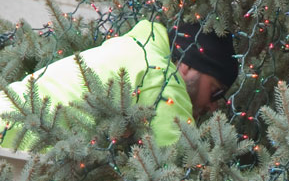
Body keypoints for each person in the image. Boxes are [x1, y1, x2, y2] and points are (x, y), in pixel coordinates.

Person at [0, 19, 238, 149]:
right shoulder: (160, 74)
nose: (214, 106)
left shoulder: (130, 48)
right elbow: (178, 161)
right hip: (18, 140)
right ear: (188, 65)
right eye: (216, 91)